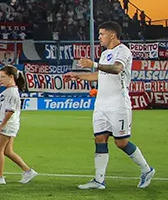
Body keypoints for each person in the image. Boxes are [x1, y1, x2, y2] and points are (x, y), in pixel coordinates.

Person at [63, 21, 155, 190]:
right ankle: (99, 181)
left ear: (112, 35)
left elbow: (117, 68)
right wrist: (77, 75)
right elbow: (100, 75)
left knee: (121, 142)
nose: (99, 37)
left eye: (101, 34)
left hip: (118, 104)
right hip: (101, 105)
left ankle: (147, 170)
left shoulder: (123, 51)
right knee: (99, 138)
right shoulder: (105, 54)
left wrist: (93, 64)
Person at [0, 65, 37, 185]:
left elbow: (10, 111)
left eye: (3, 77)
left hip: (8, 124)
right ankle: (28, 171)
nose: (0, 79)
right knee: (8, 151)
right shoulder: (8, 91)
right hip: (9, 124)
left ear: (11, 77)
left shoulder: (12, 93)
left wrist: (2, 125)